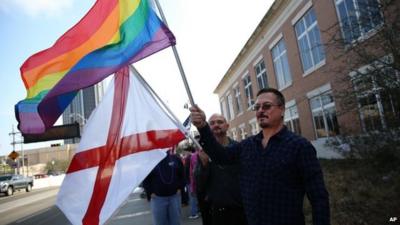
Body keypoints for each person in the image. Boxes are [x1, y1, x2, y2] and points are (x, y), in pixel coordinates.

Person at [190, 88, 330, 225]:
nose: (260, 110)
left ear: (282, 109)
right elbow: (221, 156)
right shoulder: (247, 145)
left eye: (267, 106)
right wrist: (203, 127)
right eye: (257, 107)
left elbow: (318, 197)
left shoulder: (299, 146)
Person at [195, 113, 247, 225]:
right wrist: (204, 165)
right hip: (217, 213)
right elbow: (199, 185)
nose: (216, 125)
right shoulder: (203, 152)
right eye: (212, 123)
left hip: (240, 210)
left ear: (227, 126)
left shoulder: (239, 148)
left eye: (220, 122)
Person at [143, 150, 185, 225]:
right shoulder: (150, 161)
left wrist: (180, 188)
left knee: (176, 222)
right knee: (160, 223)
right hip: (158, 199)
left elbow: (182, 175)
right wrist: (150, 192)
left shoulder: (175, 158)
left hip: (174, 197)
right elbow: (146, 179)